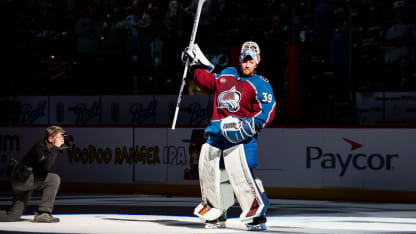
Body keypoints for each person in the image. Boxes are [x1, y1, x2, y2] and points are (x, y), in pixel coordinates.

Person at [183, 41, 276, 230]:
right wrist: (192, 65)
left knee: (241, 175)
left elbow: (268, 110)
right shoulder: (227, 73)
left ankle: (255, 216)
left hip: (241, 138)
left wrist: (248, 126)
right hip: (215, 135)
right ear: (240, 59)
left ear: (257, 61)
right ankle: (216, 212)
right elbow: (207, 81)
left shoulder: (260, 83)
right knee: (211, 175)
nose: (247, 64)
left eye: (251, 61)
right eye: (244, 60)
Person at [0, 126, 65, 222]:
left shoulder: (48, 147)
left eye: (62, 137)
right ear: (51, 138)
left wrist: (56, 148)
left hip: (24, 179)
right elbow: (46, 166)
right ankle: (44, 213)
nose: (62, 139)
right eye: (59, 137)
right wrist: (55, 148)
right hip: (24, 180)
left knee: (12, 216)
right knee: (53, 178)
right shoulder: (40, 146)